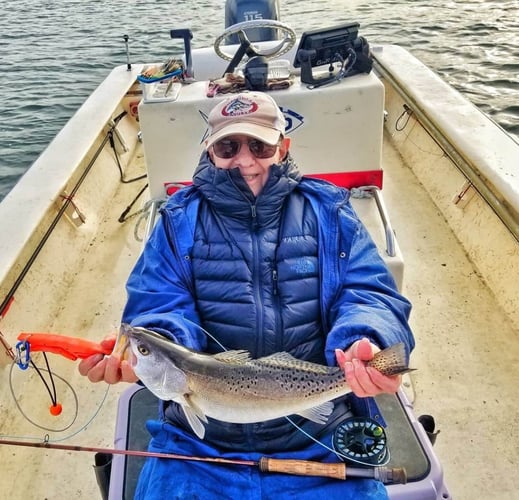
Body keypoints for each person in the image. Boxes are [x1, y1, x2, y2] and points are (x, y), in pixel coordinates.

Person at [79, 91, 415, 499]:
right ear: (209, 150)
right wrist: (152, 350)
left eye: (260, 145)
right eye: (228, 146)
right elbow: (158, 302)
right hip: (199, 445)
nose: (245, 160)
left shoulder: (330, 213)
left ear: (283, 146)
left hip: (318, 436)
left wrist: (366, 339)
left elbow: (370, 291)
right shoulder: (177, 221)